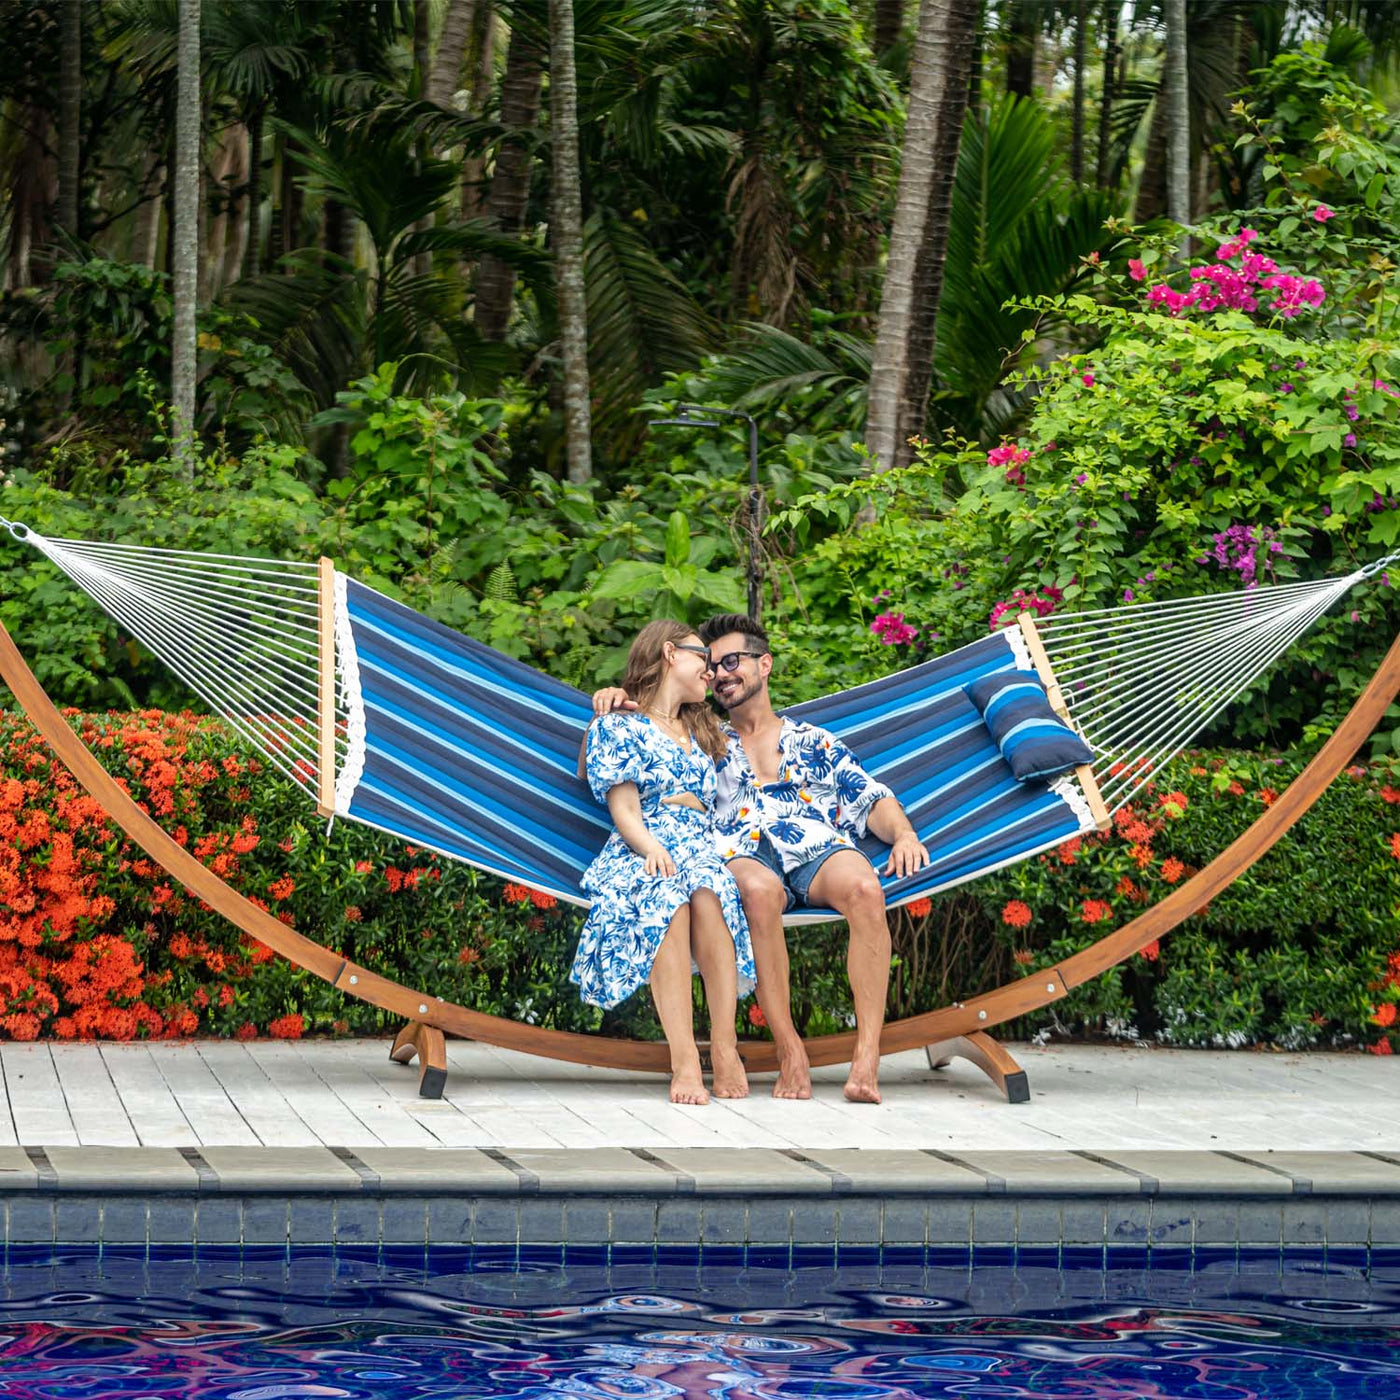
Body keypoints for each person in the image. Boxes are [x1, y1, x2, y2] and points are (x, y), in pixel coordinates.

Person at [592, 613, 929, 1105]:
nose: (721, 673)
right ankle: (790, 1049)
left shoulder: (811, 740)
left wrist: (903, 834)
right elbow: (641, 734)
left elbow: (868, 795)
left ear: (764, 664)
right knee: (755, 891)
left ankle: (867, 1057)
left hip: (815, 845)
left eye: (732, 661)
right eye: (711, 664)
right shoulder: (702, 734)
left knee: (865, 889)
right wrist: (611, 697)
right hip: (740, 851)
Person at [574, 620, 757, 1106]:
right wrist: (651, 847)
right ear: (671, 654)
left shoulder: (705, 728)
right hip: (643, 844)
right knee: (669, 900)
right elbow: (625, 810)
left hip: (700, 844)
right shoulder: (619, 725)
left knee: (708, 892)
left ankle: (723, 1046)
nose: (712, 671)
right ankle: (683, 1059)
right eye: (704, 658)